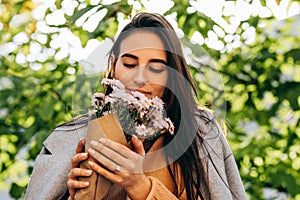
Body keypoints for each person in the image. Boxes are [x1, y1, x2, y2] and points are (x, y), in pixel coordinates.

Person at [25, 12, 247, 200]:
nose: (140, 78)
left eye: (157, 68)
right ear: (112, 65)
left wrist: (142, 186)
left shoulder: (201, 132)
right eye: (129, 64)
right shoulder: (72, 136)